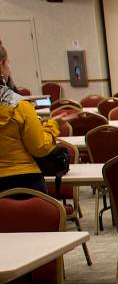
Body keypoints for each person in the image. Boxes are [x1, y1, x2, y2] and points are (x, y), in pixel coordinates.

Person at [0, 42, 60, 195]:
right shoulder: (19, 106)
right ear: (2, 64)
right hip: (23, 181)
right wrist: (53, 125)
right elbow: (39, 148)